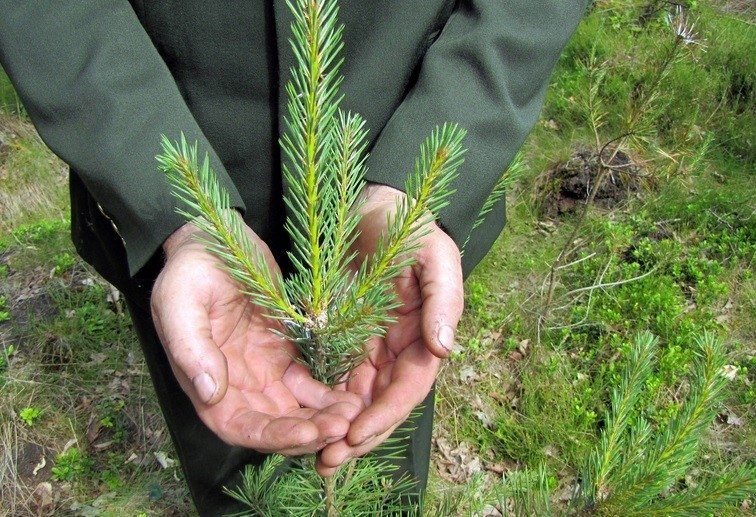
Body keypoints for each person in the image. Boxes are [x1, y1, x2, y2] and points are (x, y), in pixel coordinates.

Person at [0, 1, 589, 514]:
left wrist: (415, 188)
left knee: (375, 446)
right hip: (190, 190)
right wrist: (175, 209)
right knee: (232, 448)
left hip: (390, 210)